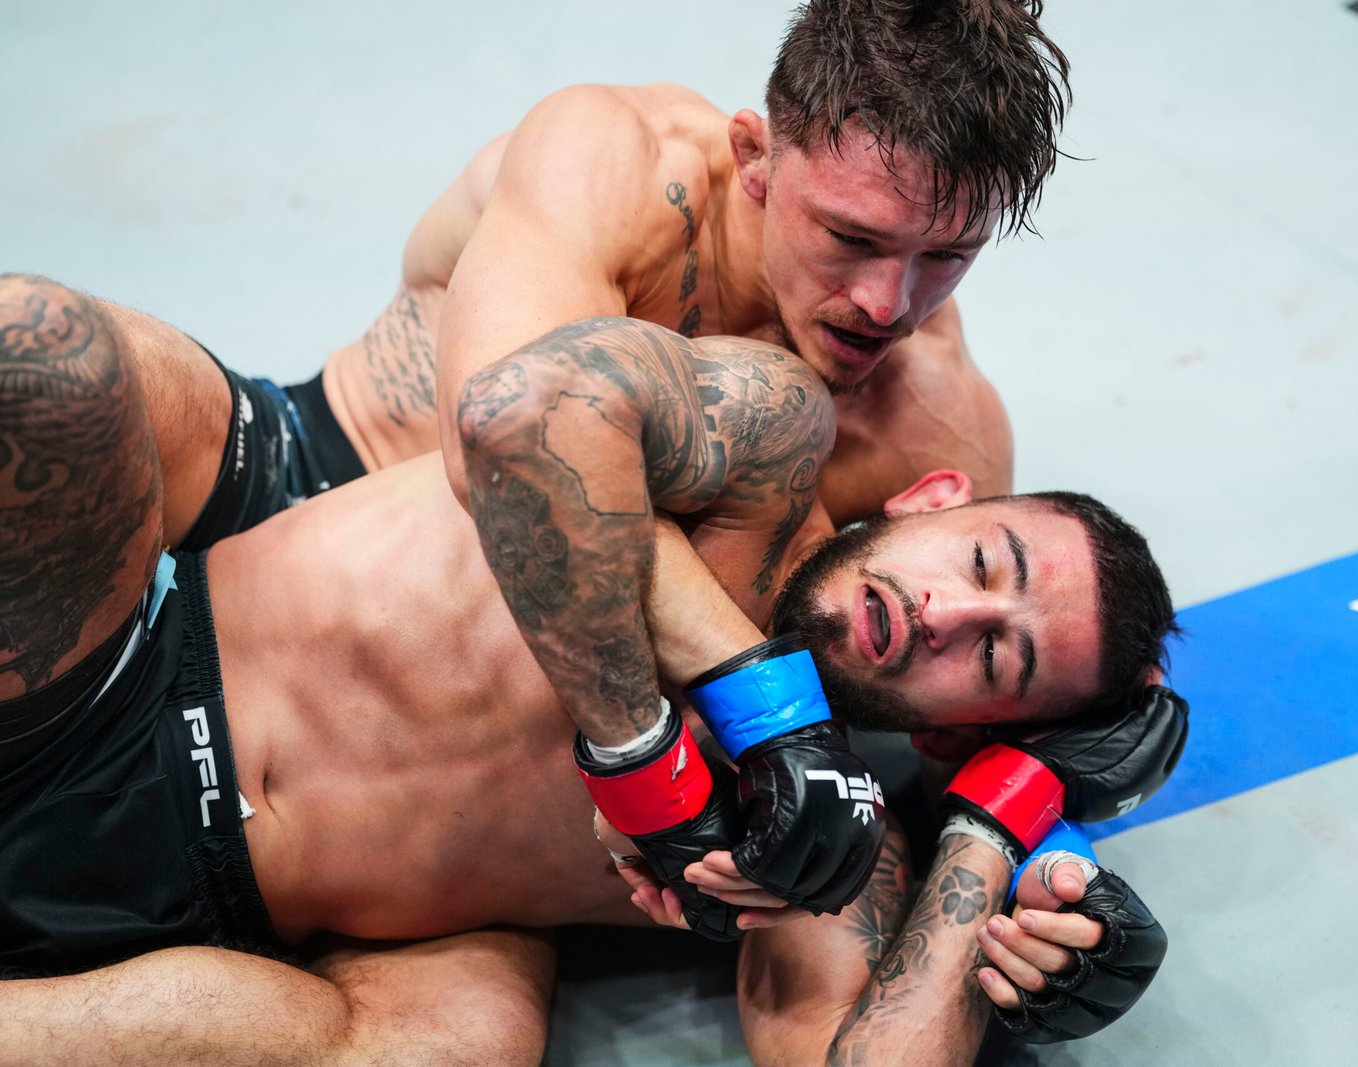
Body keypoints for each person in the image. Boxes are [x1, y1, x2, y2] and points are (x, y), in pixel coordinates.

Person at [1, 309, 1181, 1064]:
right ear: (931, 497)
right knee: (49, 352)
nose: (946, 613)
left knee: (464, 1046)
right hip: (104, 669)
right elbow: (519, 412)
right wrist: (714, 725)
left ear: (963, 734)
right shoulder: (763, 443)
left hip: (211, 921)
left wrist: (999, 815)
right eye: (981, 565)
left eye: (995, 657)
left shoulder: (830, 846)